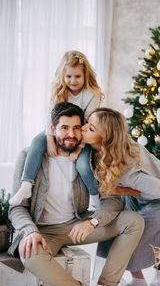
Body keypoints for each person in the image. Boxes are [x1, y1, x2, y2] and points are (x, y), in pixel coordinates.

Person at [8, 103, 145, 286]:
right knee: (31, 256)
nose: (71, 134)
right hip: (44, 231)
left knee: (134, 221)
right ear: (52, 129)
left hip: (77, 225)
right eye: (64, 128)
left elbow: (113, 201)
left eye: (76, 127)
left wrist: (92, 222)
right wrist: (30, 231)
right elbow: (16, 206)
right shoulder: (28, 157)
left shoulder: (89, 159)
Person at [81, 107, 160, 286]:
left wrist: (121, 190)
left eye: (90, 128)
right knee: (125, 231)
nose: (83, 129)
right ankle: (138, 281)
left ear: (105, 138)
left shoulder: (128, 170)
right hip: (139, 191)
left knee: (135, 237)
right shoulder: (103, 151)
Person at [10, 50, 102, 207]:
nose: (73, 81)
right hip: (58, 130)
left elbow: (87, 122)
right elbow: (50, 116)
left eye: (77, 76)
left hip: (81, 133)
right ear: (62, 76)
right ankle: (26, 184)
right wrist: (49, 138)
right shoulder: (57, 89)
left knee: (83, 165)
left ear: (86, 75)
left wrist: (79, 148)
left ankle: (95, 196)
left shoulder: (92, 93)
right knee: (36, 143)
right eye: (68, 76)